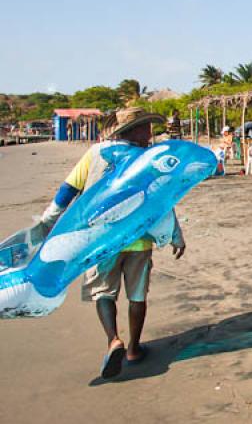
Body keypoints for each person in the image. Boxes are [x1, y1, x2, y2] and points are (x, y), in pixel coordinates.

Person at [37, 107, 186, 378]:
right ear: (132, 131)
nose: (149, 133)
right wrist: (175, 233)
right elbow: (162, 200)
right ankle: (132, 349)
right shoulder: (147, 159)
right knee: (137, 295)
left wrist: (48, 221)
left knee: (103, 292)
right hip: (139, 240)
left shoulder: (95, 154)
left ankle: (113, 339)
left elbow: (67, 190)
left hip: (100, 241)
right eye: (145, 128)